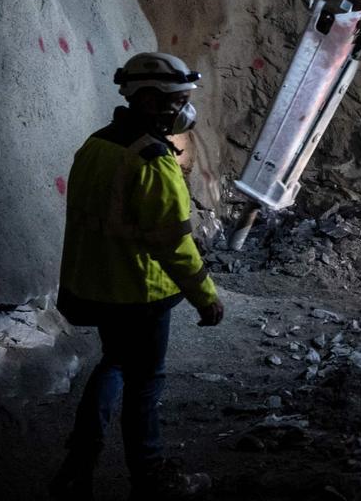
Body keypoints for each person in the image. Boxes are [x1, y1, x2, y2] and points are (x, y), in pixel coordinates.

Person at [51, 52, 224, 501]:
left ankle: (78, 463)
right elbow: (174, 243)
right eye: (177, 99)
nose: (185, 110)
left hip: (98, 285)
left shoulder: (97, 145)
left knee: (114, 363)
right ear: (148, 100)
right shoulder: (151, 159)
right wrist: (206, 296)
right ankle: (151, 477)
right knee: (146, 382)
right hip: (140, 293)